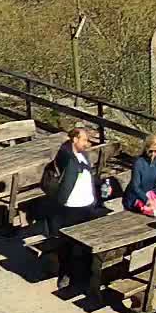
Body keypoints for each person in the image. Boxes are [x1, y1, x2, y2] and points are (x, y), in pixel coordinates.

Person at [46, 124, 107, 291]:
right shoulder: (65, 154)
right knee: (66, 243)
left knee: (86, 241)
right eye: (84, 140)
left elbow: (88, 174)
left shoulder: (83, 155)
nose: (87, 144)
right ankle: (65, 274)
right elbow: (62, 160)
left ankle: (84, 274)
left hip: (86, 205)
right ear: (74, 139)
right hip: (70, 206)